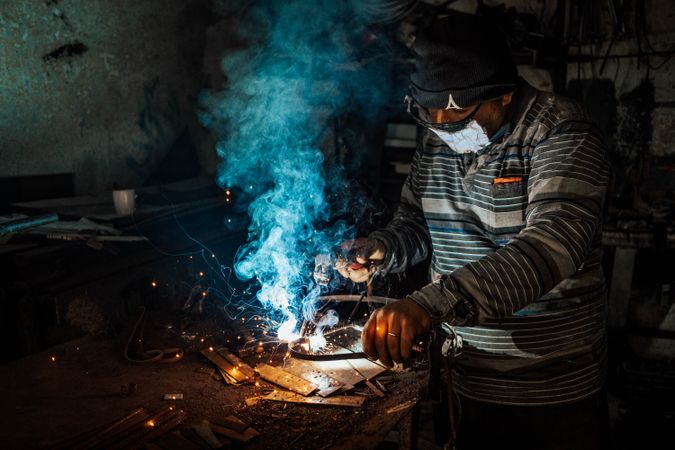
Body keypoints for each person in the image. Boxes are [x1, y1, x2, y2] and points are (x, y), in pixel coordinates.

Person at [336, 14, 610, 450]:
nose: (444, 123)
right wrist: (384, 247)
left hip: (547, 388)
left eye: (459, 110)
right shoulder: (439, 134)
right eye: (430, 111)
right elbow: (417, 220)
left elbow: (553, 245)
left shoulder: (562, 130)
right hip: (462, 374)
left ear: (504, 93)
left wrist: (430, 303)